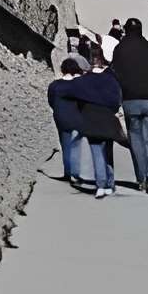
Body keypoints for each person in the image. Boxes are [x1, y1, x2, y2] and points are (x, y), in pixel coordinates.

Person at [49, 56, 125, 197]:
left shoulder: (77, 83)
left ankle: (98, 184)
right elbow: (116, 100)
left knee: (95, 153)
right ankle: (110, 183)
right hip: (106, 119)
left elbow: (59, 95)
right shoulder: (109, 80)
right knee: (108, 153)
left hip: (88, 121)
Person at [111, 20, 148, 194]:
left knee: (136, 140)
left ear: (126, 31)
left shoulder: (119, 49)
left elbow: (115, 71)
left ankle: (141, 178)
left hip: (130, 99)